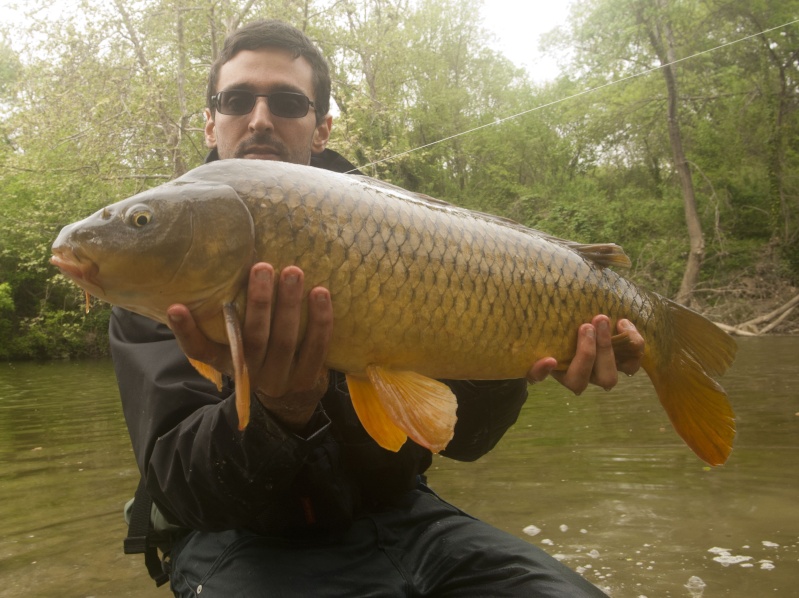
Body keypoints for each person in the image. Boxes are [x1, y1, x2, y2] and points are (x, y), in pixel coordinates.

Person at [111, 19, 645, 598]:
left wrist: (523, 357)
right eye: (237, 99)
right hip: (241, 542)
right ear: (211, 121)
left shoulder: (394, 233)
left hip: (403, 518)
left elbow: (464, 439)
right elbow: (180, 488)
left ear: (322, 128)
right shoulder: (167, 266)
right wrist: (277, 411)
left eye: (289, 101)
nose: (261, 118)